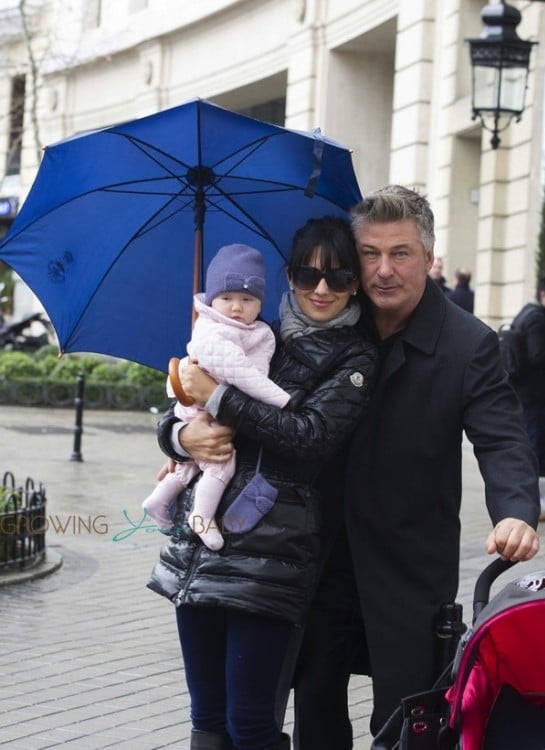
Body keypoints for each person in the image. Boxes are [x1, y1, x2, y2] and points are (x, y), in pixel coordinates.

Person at [290, 185, 540, 748]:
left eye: (399, 254)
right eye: (370, 254)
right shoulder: (330, 325)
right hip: (324, 556)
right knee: (315, 711)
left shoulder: (468, 343)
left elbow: (502, 440)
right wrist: (187, 435)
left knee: (408, 723)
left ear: (428, 259)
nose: (382, 270)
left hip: (409, 567)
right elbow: (260, 397)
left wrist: (516, 511)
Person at [147, 216, 378, 750]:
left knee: (250, 723)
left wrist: (219, 396)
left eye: (339, 277)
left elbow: (308, 435)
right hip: (200, 546)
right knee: (206, 718)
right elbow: (178, 410)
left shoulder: (355, 356)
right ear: (289, 277)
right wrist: (180, 441)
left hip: (269, 552)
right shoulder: (251, 328)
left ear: (354, 284)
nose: (322, 289)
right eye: (308, 274)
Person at [141, 243, 290, 549]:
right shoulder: (208, 327)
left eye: (247, 299)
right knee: (222, 462)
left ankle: (158, 500)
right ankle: (202, 516)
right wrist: (280, 399)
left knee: (191, 464)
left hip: (216, 407)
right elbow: (249, 379)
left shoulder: (261, 334)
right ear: (212, 300)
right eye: (226, 298)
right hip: (196, 408)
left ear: (260, 304)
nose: (236, 307)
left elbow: (257, 369)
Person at [510, 275, 545, 517]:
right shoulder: (536, 319)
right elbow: (537, 356)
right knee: (535, 450)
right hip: (535, 396)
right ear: (544, 294)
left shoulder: (527, 312)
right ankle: (535, 503)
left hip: (526, 394)